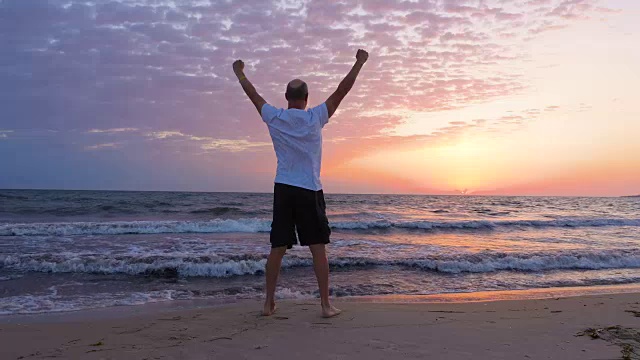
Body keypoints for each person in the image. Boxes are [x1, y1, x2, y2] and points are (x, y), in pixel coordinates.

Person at [233, 49, 369, 318]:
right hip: (309, 189)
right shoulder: (315, 117)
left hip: (283, 188)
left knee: (278, 248)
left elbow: (253, 95)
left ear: (286, 98)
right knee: (318, 249)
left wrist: (240, 73)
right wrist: (359, 63)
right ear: (307, 99)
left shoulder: (274, 116)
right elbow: (342, 90)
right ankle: (325, 306)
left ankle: (268, 304)